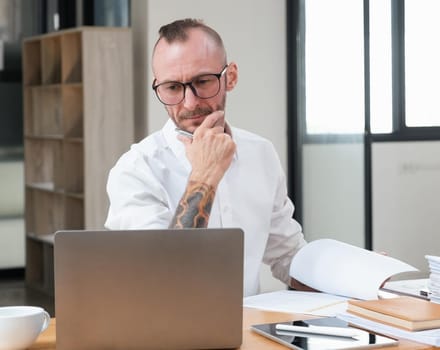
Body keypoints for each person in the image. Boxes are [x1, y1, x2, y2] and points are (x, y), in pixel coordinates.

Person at [105, 18, 310, 296]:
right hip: (167, 336)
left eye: (202, 82)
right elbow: (161, 278)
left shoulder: (261, 153)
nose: (190, 103)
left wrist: (354, 275)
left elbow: (287, 255)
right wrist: (204, 175)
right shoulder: (135, 170)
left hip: (249, 332)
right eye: (173, 88)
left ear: (231, 77)